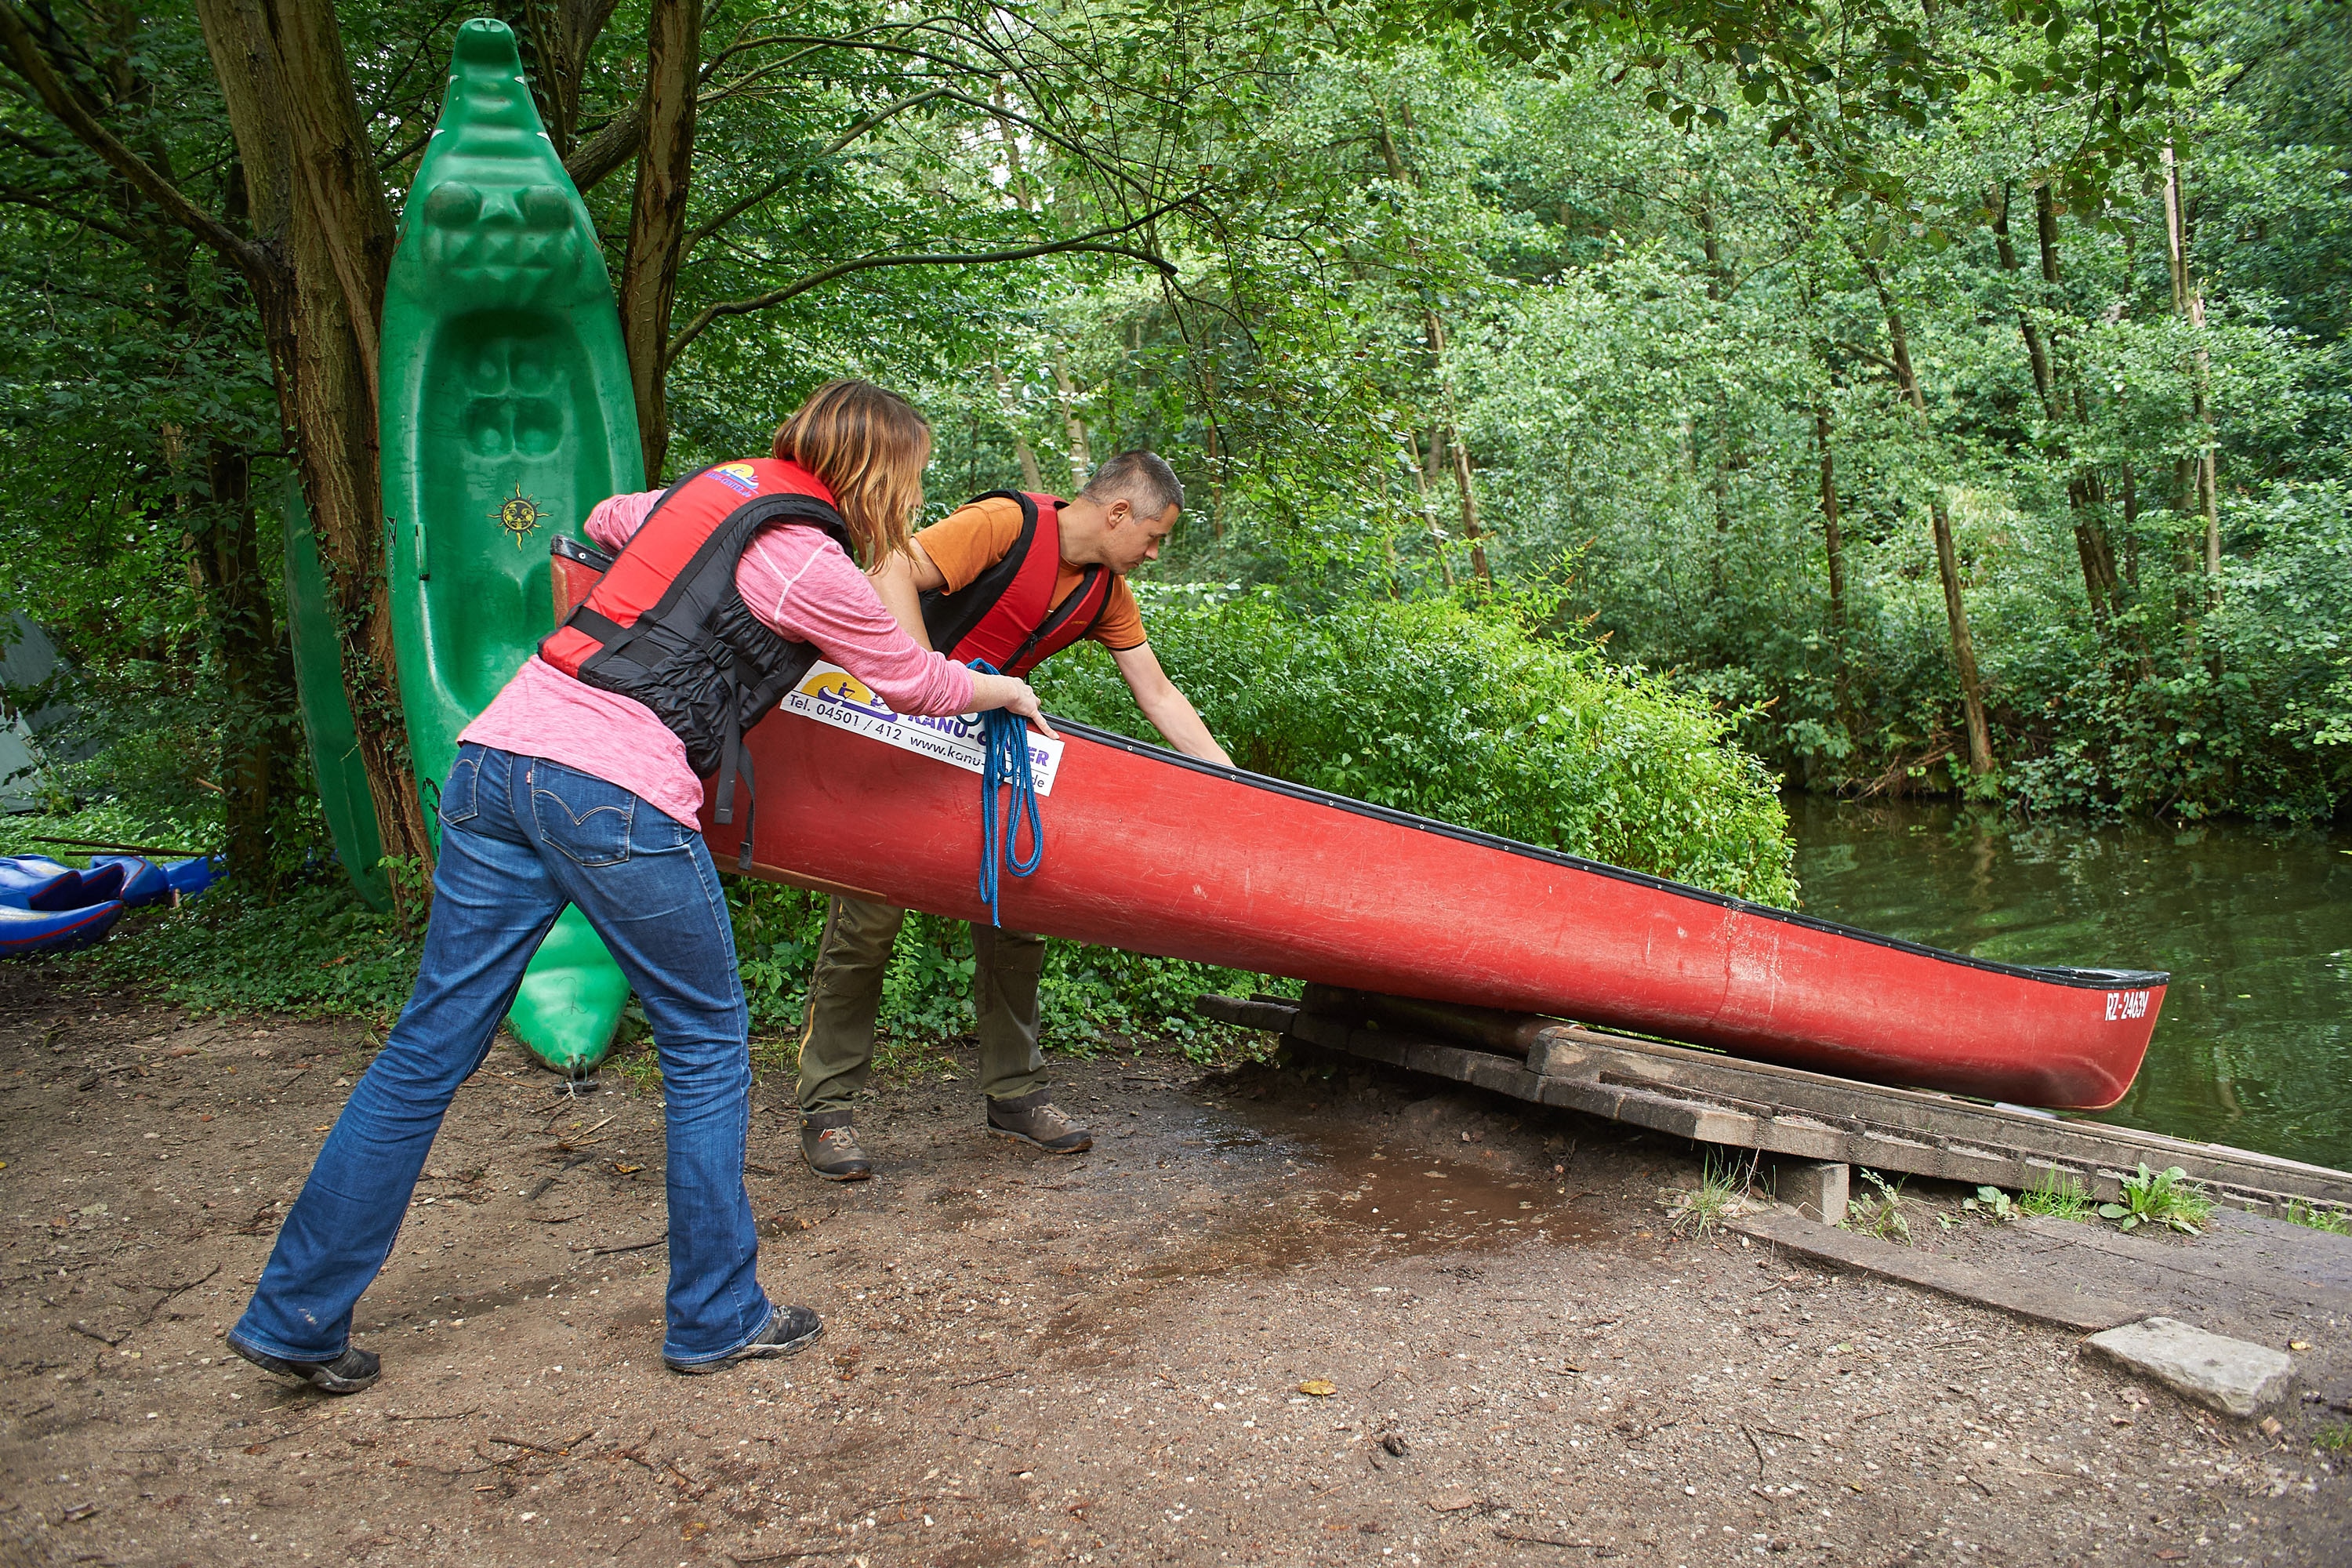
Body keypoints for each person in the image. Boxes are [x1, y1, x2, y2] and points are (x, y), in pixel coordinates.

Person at [227, 381, 1050, 1393]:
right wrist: (1006, 687)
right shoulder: (812, 562)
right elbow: (914, 682)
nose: (914, 499)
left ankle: (297, 1313)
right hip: (610, 795)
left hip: (499, 757)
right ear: (878, 473)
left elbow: (607, 519)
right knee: (706, 1045)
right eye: (912, 479)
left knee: (426, 1047)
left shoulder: (706, 494)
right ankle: (716, 1315)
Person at [795, 450, 1233, 1180]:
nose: (1155, 553)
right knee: (866, 926)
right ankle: (827, 1111)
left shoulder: (1107, 593)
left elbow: (1159, 695)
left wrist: (1232, 783)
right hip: (899, 733)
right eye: (1154, 536)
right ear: (1118, 513)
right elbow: (889, 569)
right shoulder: (1005, 523)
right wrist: (929, 679)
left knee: (1016, 917)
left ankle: (1015, 1096)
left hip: (988, 751)